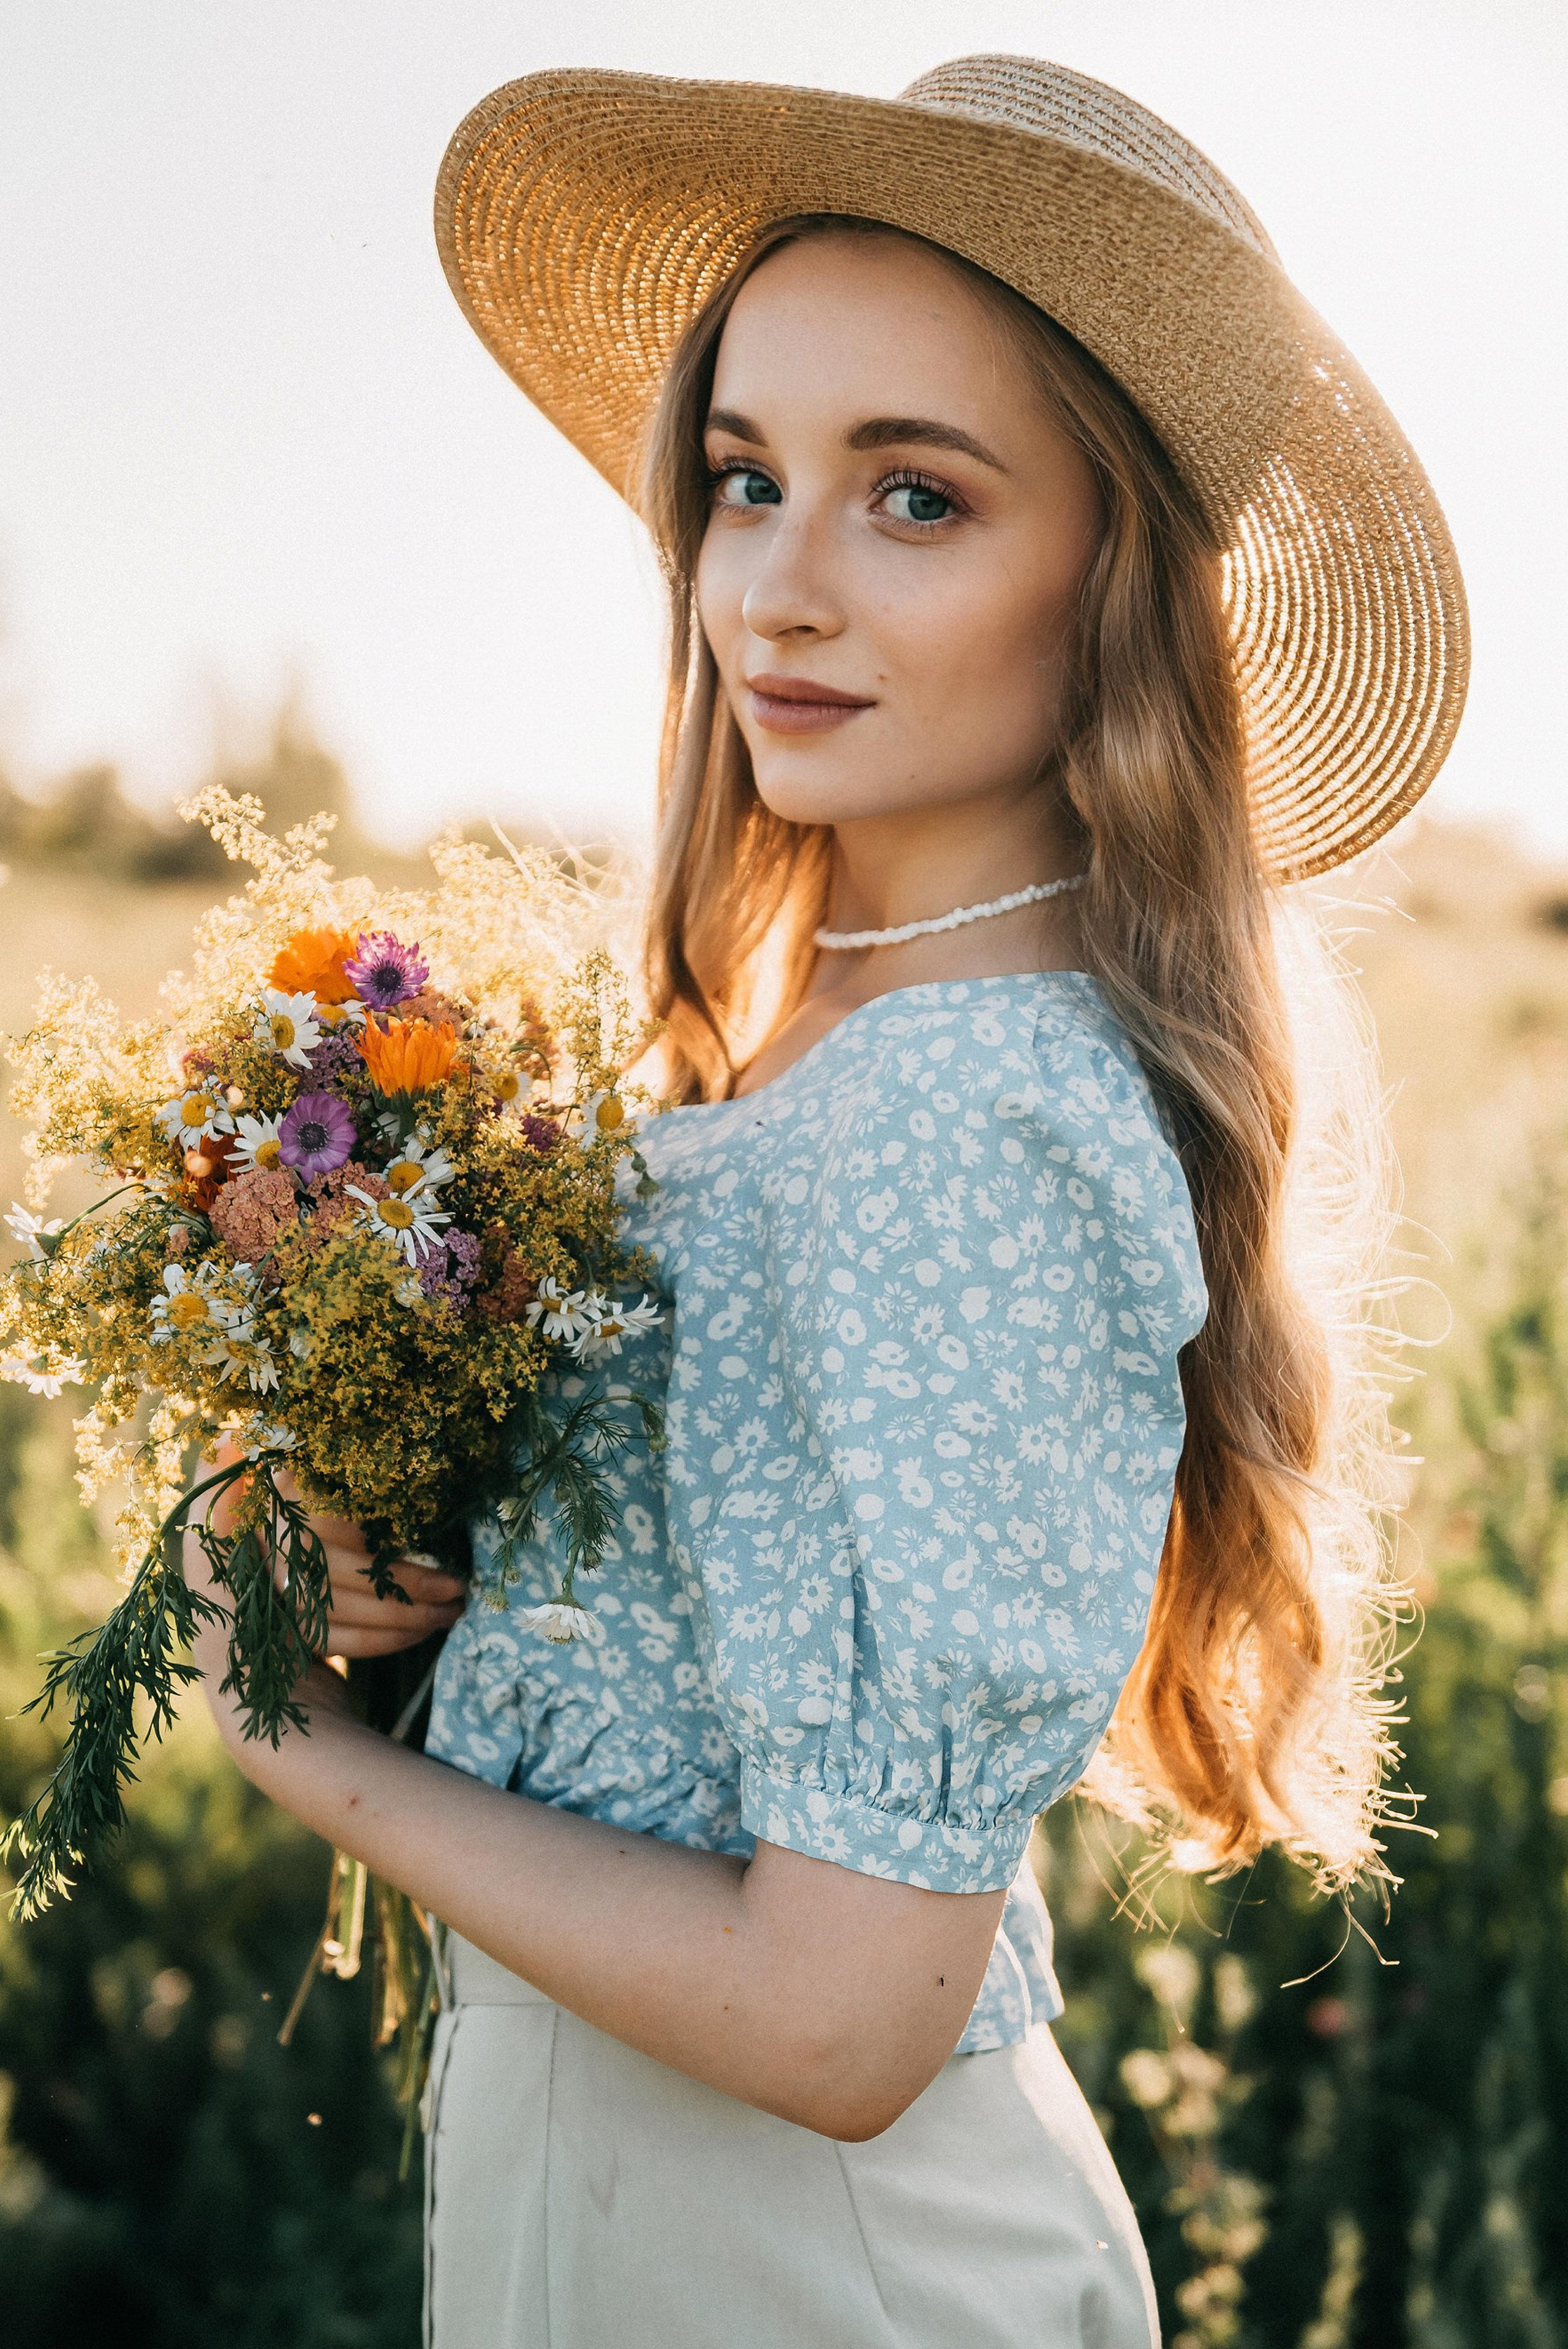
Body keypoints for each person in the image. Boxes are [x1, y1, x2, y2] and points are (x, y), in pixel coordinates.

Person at [187, 53, 1468, 2349]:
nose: (773, 584)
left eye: (918, 498)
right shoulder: (822, 1052)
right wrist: (429, 1596)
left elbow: (845, 2017)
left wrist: (295, 1749)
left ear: (1118, 590)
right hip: (652, 2197)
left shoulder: (969, 1114)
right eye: (745, 476)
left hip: (785, 2246)